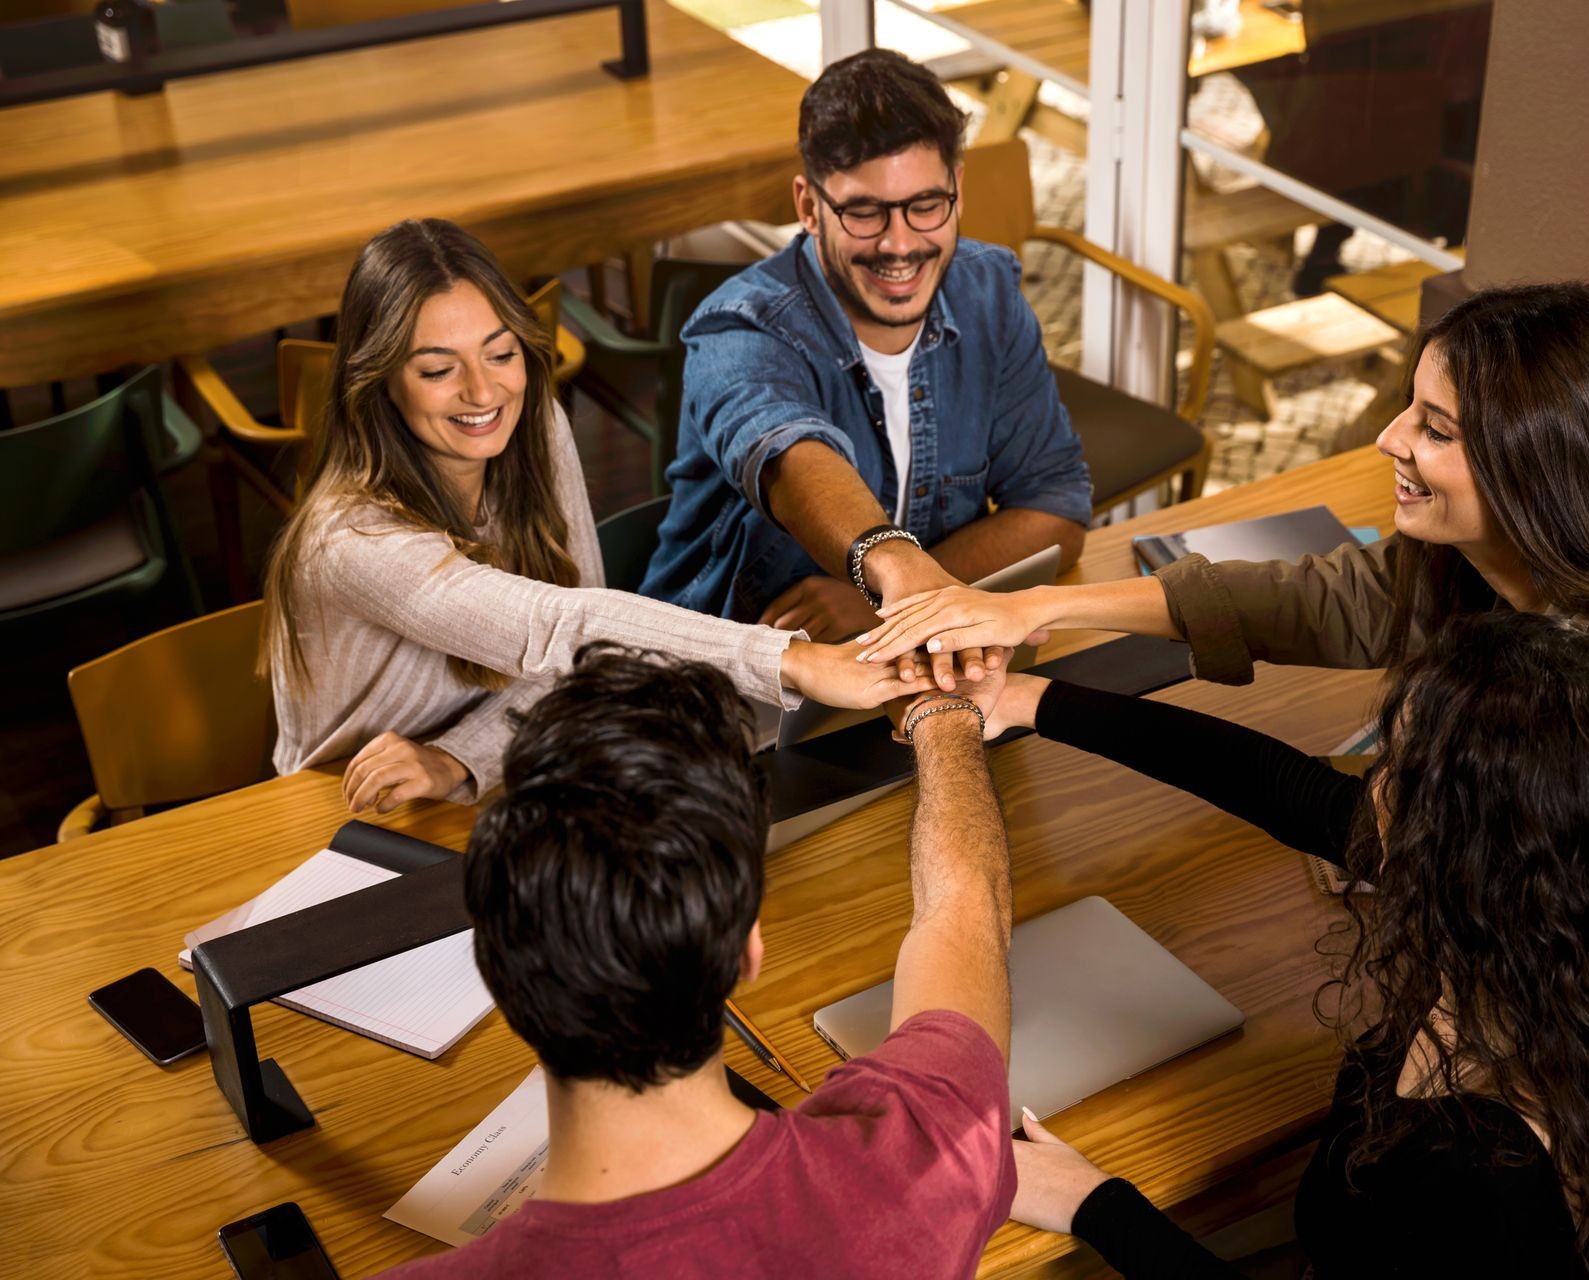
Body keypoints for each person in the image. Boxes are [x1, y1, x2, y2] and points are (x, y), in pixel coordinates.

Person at [859, 281, 1589, 1264]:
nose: (1388, 436)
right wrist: (1033, 634)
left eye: (1436, 427)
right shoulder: (1530, 595)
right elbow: (1342, 613)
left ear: (1533, 465)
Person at [972, 612, 1589, 1277]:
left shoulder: (1483, 1173)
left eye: (1392, 767)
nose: (1366, 782)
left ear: (1453, 836)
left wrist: (1094, 1205)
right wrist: (1029, 699)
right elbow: (1274, 782)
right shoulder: (1572, 935)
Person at [380, 642, 1015, 1279]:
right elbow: (966, 911)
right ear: (746, 950)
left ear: (496, 971)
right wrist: (943, 715)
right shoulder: (934, 1159)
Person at [261, 218, 931, 814]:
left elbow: (572, 666)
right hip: (347, 812)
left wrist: (458, 759)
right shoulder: (346, 540)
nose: (483, 391)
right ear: (378, 382)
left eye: (500, 353)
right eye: (438, 369)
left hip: (497, 777)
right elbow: (559, 625)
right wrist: (795, 663)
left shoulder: (530, 425)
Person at [638, 48, 1091, 670]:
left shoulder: (987, 289)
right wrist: (893, 577)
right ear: (808, 207)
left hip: (897, 654)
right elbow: (792, 459)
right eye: (864, 212)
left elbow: (1056, 514)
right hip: (717, 674)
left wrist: (884, 603)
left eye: (925, 205)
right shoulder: (736, 328)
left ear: (957, 189)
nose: (900, 244)